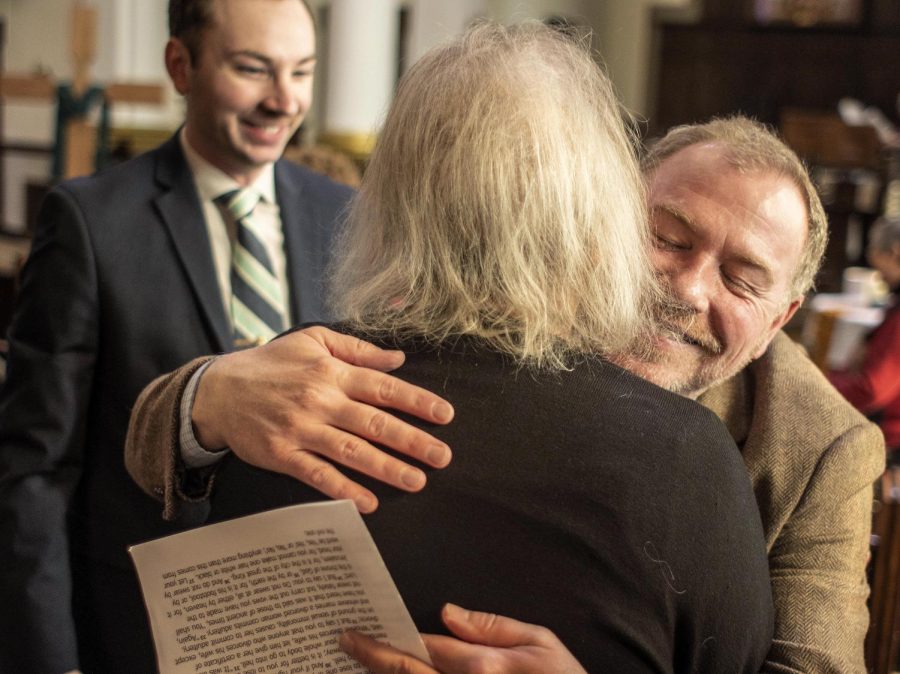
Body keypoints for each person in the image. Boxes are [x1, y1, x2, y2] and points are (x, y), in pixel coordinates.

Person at [128, 113, 886, 672]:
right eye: (667, 236)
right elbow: (146, 439)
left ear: (783, 317)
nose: (687, 290)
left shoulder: (823, 447)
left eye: (742, 280)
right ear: (603, 219)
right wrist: (212, 393)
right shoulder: (500, 304)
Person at [0, 1, 453, 672]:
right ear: (180, 66)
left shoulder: (345, 214)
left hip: (307, 630)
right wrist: (48, 660)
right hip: (133, 631)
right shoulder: (93, 222)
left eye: (302, 72)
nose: (284, 100)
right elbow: (34, 469)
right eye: (253, 70)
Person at [828, 216, 900, 456]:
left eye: (875, 253)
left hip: (889, 439)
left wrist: (819, 383)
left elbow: (871, 389)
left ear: (894, 252)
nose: (876, 273)